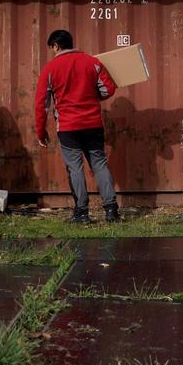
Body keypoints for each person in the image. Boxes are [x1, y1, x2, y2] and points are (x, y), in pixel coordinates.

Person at [34, 29, 120, 224]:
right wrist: (92, 97)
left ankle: (82, 213)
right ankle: (111, 210)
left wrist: (41, 132)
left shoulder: (50, 69)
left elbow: (41, 104)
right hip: (93, 124)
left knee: (75, 168)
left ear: (56, 46)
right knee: (99, 164)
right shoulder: (92, 62)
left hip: (68, 127)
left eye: (52, 48)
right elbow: (108, 89)